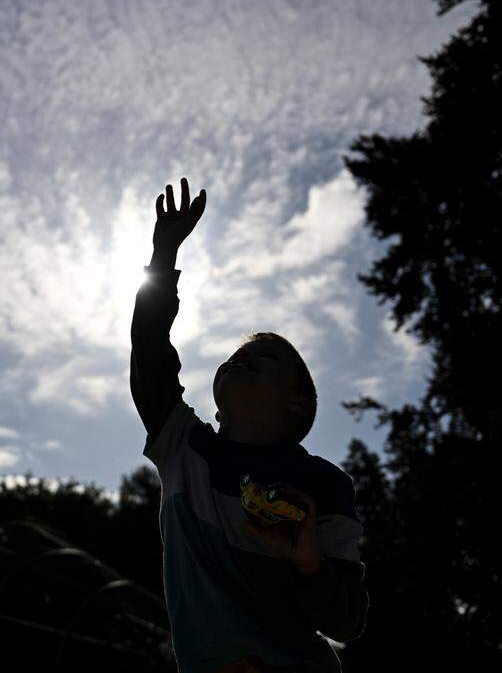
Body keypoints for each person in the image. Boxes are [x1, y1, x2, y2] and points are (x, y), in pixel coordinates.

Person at [130, 178, 369, 673]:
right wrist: (163, 255)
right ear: (216, 403)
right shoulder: (184, 448)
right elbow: (150, 351)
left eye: (264, 357)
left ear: (298, 404)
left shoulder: (323, 485)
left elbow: (346, 622)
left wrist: (310, 566)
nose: (242, 358)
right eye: (236, 355)